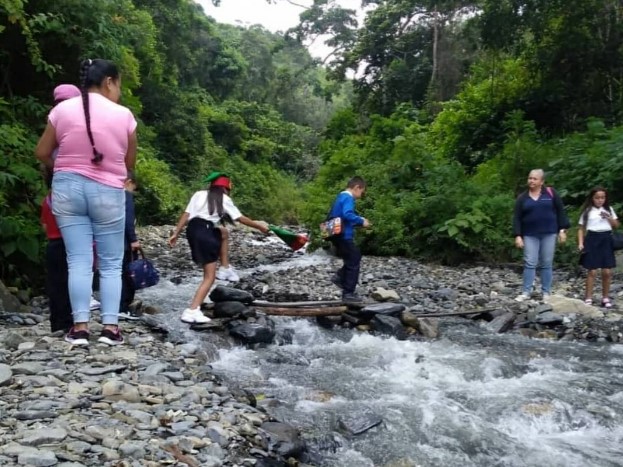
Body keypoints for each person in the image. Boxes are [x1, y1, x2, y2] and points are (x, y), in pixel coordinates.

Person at [35, 59, 138, 346]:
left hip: (67, 189)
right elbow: (129, 162)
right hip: (107, 190)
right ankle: (110, 329)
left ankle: (79, 328)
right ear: (108, 81)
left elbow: (42, 151)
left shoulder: (61, 110)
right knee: (109, 263)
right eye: (118, 84)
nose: (118, 90)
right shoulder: (124, 115)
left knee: (77, 260)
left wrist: (64, 169)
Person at [167, 173, 269, 324]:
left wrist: (176, 233)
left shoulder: (198, 194)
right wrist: (259, 226)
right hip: (206, 232)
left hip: (193, 230)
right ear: (225, 188)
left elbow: (186, 214)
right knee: (209, 277)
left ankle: (225, 267)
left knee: (223, 232)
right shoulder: (224, 199)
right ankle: (192, 310)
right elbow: (240, 218)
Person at [512, 169, 570, 301]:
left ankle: (546, 292)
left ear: (542, 181)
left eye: (534, 179)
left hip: (549, 233)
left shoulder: (550, 193)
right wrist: (517, 235)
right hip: (530, 234)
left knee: (547, 263)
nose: (531, 181)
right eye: (530, 178)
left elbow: (561, 212)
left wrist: (562, 230)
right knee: (530, 262)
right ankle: (526, 292)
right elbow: (517, 218)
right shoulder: (522, 198)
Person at [328, 176, 370, 304]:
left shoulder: (340, 197)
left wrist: (356, 222)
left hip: (335, 234)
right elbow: (347, 214)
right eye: (361, 192)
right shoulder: (348, 197)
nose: (360, 196)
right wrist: (361, 221)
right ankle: (348, 293)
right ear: (357, 187)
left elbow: (340, 216)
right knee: (354, 258)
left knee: (352, 257)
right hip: (343, 235)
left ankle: (340, 278)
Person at [578, 187, 619, 308]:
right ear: (592, 198)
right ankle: (588, 297)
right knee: (592, 270)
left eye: (602, 197)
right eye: (597, 198)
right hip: (592, 238)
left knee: (607, 271)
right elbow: (581, 228)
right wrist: (581, 243)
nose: (600, 200)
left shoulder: (609, 209)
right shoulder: (587, 211)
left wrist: (609, 217)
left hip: (606, 238)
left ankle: (605, 297)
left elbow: (616, 225)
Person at [118, 173, 141, 320]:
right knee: (128, 275)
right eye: (134, 187)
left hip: (110, 241)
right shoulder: (126, 196)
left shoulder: (110, 195)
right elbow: (128, 220)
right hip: (124, 242)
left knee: (114, 274)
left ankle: (111, 306)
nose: (133, 190)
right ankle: (123, 307)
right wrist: (133, 240)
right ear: (129, 182)